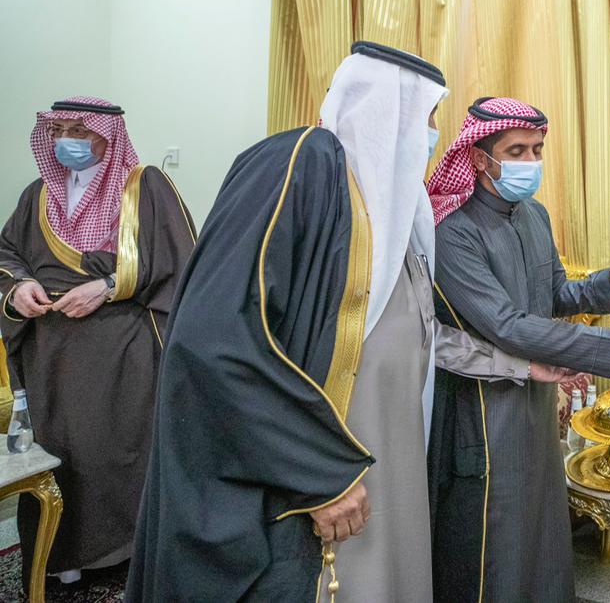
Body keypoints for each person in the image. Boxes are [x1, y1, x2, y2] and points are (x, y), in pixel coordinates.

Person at [126, 43, 569, 602]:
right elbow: (214, 341)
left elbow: (421, 335)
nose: (433, 135)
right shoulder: (300, 166)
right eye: (428, 117)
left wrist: (521, 366)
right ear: (387, 112)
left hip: (390, 454)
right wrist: (319, 473)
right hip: (321, 464)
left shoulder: (397, 214)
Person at [426, 96, 610, 602]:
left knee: (542, 536)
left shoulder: (534, 215)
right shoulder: (453, 233)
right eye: (516, 151)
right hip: (485, 415)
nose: (530, 162)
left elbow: (555, 294)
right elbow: (507, 325)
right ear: (478, 158)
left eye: (537, 150)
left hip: (537, 405)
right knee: (494, 545)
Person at [0, 98, 195, 588]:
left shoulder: (145, 186)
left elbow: (180, 261)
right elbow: (7, 252)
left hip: (120, 355)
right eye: (59, 130)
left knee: (117, 456)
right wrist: (19, 286)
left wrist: (107, 287)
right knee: (60, 456)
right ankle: (62, 559)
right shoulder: (38, 194)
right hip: (50, 357)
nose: (67, 141)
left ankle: (125, 557)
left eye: (79, 131)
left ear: (108, 136)